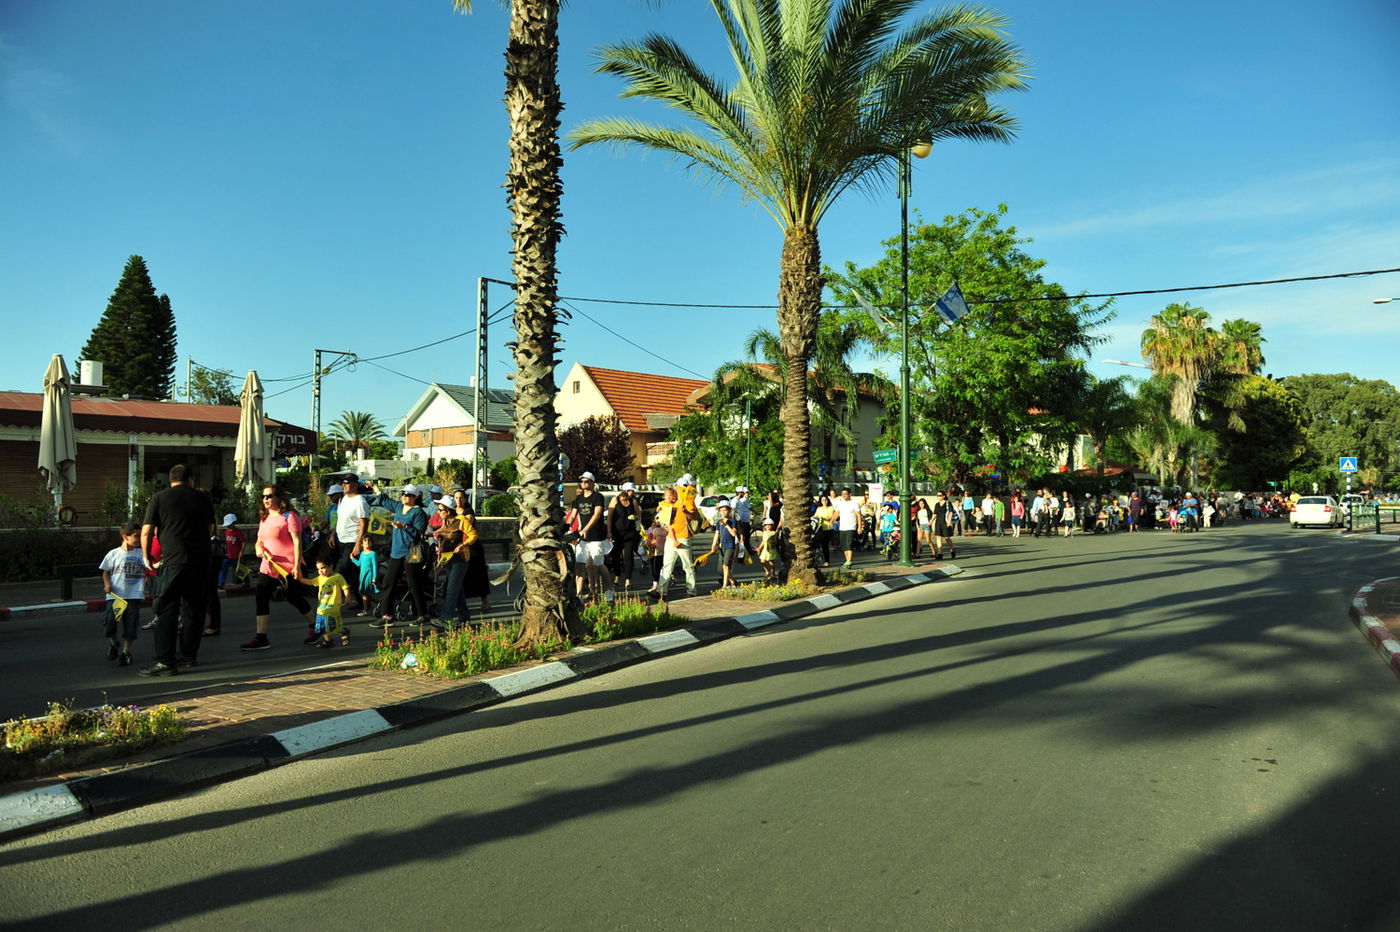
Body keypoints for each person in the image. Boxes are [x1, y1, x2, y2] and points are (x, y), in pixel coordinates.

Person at [139, 464, 215, 676]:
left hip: (173, 560)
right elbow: (211, 528)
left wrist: (147, 558)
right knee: (194, 610)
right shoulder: (203, 498)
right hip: (201, 561)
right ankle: (189, 656)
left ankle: (165, 661)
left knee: (166, 609)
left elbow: (146, 532)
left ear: (170, 479)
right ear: (191, 479)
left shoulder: (160, 497)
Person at [241, 485, 316, 651]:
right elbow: (260, 540)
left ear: (279, 498)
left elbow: (297, 542)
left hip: (288, 566)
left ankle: (315, 627)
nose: (266, 499)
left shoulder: (290, 516)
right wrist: (258, 549)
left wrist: (297, 566)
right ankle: (261, 637)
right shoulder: (265, 518)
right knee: (261, 596)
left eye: (270, 496)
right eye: (264, 496)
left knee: (293, 598)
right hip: (268, 566)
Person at [374, 484, 430, 628]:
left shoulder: (419, 513)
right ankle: (387, 615)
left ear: (415, 497)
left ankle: (422, 615)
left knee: (413, 584)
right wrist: (375, 487)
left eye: (409, 494)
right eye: (403, 494)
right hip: (396, 552)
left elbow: (418, 534)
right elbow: (384, 500)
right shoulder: (399, 506)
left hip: (411, 552)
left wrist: (404, 526)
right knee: (388, 582)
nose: (405, 496)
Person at [99, 522, 145, 667]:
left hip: (134, 595)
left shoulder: (141, 553)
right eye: (136, 536)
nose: (139, 539)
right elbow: (105, 572)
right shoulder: (113, 554)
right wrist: (107, 584)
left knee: (130, 626)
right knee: (110, 624)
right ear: (125, 537)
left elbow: (150, 566)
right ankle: (114, 643)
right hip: (116, 596)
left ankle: (126, 652)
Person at [435, 496, 479, 628]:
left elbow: (474, 535)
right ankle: (464, 618)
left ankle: (445, 619)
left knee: (451, 590)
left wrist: (463, 544)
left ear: (448, 511)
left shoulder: (461, 520)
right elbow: (443, 532)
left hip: (460, 560)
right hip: (448, 558)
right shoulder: (446, 522)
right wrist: (431, 533)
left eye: (440, 509)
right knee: (457, 589)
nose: (438, 512)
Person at [329, 473, 370, 613]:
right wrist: (333, 534)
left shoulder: (360, 502)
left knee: (340, 571)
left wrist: (358, 544)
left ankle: (332, 603)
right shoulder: (343, 499)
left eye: (347, 483)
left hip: (352, 541)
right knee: (354, 574)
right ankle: (361, 602)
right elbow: (340, 519)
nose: (344, 486)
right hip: (341, 539)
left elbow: (364, 525)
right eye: (343, 483)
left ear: (355, 484)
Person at [570, 471, 613, 602]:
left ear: (592, 483)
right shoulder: (579, 499)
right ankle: (578, 594)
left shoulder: (597, 497)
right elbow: (572, 515)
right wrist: (565, 528)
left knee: (598, 565)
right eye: (582, 481)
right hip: (583, 539)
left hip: (596, 538)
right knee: (580, 565)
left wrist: (585, 529)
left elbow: (597, 514)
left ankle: (609, 589)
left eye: (586, 481)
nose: (583, 483)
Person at [451, 488, 492, 615]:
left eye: (461, 497)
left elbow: (466, 523)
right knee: (460, 576)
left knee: (478, 574)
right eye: (456, 497)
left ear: (465, 498)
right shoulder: (451, 511)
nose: (458, 500)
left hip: (472, 547)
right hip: (458, 547)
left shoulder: (468, 511)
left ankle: (485, 600)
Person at [656, 482, 699, 600]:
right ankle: (661, 592)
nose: (669, 498)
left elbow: (693, 516)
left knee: (687, 565)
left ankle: (691, 591)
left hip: (683, 537)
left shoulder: (685, 501)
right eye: (667, 496)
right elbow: (662, 521)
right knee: (667, 565)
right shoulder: (668, 505)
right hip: (671, 538)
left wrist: (685, 511)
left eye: (671, 495)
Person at [296, 557, 351, 648]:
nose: (320, 571)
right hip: (321, 607)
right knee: (321, 626)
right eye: (318, 569)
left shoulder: (338, 577)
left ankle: (343, 631)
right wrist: (300, 579)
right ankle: (328, 641)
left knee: (333, 624)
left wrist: (347, 598)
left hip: (333, 607)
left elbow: (345, 587)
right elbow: (310, 582)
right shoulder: (320, 578)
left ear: (331, 566)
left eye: (323, 568)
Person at [606, 481, 644, 590]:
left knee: (628, 555)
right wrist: (609, 531)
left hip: (630, 532)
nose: (631, 493)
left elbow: (639, 515)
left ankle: (628, 579)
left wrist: (634, 516)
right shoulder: (615, 499)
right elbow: (609, 516)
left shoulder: (633, 501)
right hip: (616, 532)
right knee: (616, 554)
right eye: (630, 491)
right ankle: (617, 576)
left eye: (632, 491)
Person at [832, 487, 863, 569]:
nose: (844, 496)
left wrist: (859, 527)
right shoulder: (840, 503)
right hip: (842, 527)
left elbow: (859, 516)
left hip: (851, 527)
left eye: (845, 494)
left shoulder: (854, 503)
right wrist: (831, 521)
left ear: (850, 494)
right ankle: (847, 561)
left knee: (849, 545)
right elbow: (836, 513)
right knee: (844, 546)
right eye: (842, 494)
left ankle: (849, 561)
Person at [217, 513, 245, 588]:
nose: (228, 526)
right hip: (228, 555)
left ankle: (245, 581)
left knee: (240, 569)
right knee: (223, 568)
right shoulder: (226, 532)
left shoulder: (238, 532)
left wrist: (241, 552)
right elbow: (226, 543)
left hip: (236, 555)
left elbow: (243, 542)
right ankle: (221, 582)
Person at [813, 493, 835, 567]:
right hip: (819, 528)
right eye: (822, 500)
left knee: (825, 545)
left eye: (825, 500)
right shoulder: (819, 508)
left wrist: (823, 518)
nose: (824, 501)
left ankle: (827, 561)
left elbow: (831, 516)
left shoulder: (831, 508)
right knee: (818, 545)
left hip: (828, 529)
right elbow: (815, 516)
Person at [755, 517, 780, 583]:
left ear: (772, 526)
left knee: (771, 562)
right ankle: (767, 571)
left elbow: (775, 541)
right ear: (764, 526)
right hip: (765, 549)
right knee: (762, 561)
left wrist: (772, 542)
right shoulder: (764, 533)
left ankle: (772, 572)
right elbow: (763, 541)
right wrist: (759, 547)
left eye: (769, 525)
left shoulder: (773, 533)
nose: (768, 526)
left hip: (771, 549)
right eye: (766, 525)